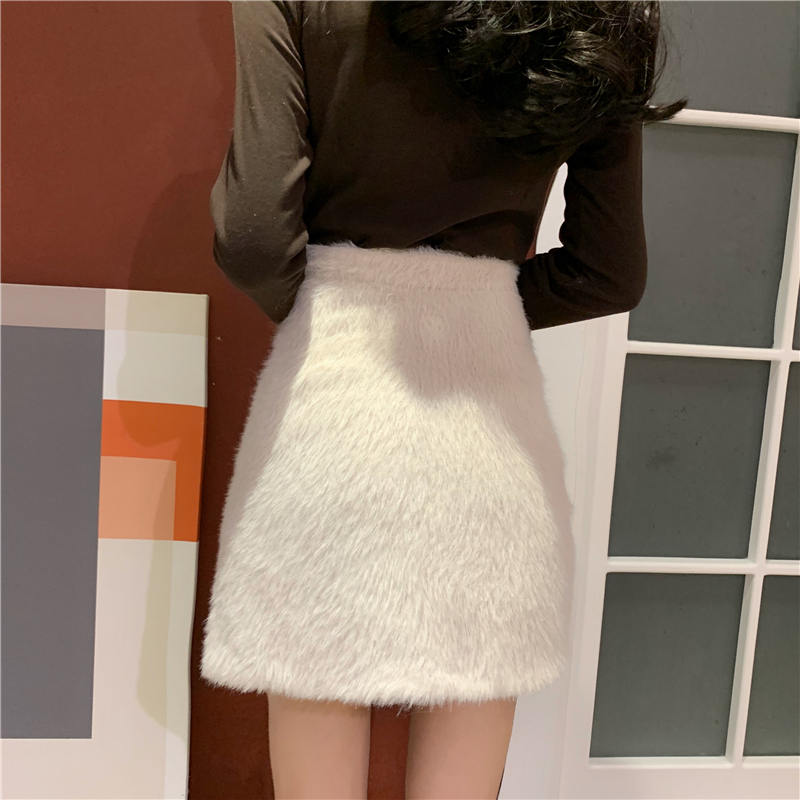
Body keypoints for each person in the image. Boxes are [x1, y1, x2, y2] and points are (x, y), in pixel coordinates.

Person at [199, 2, 689, 798]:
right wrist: (476, 302)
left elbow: (254, 240)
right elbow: (609, 270)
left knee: (310, 668)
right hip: (489, 425)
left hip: (329, 410)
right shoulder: (605, 10)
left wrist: (336, 304)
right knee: (477, 683)